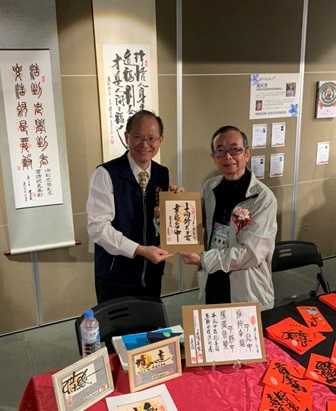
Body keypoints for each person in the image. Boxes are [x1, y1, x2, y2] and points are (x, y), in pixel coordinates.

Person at [87, 110, 181, 303]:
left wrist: (176, 205)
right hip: (116, 277)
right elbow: (98, 228)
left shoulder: (162, 174)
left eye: (151, 138)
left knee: (150, 322)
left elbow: (159, 222)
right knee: (117, 323)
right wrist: (140, 250)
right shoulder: (106, 173)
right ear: (127, 137)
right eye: (138, 137)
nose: (145, 144)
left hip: (152, 274)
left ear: (160, 140)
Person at [180, 125, 277, 311]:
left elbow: (251, 253)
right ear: (213, 156)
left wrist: (203, 260)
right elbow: (195, 220)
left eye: (235, 149)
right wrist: (175, 204)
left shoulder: (263, 198)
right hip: (214, 276)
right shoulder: (210, 187)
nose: (227, 156)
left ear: (247, 153)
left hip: (245, 283)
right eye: (220, 150)